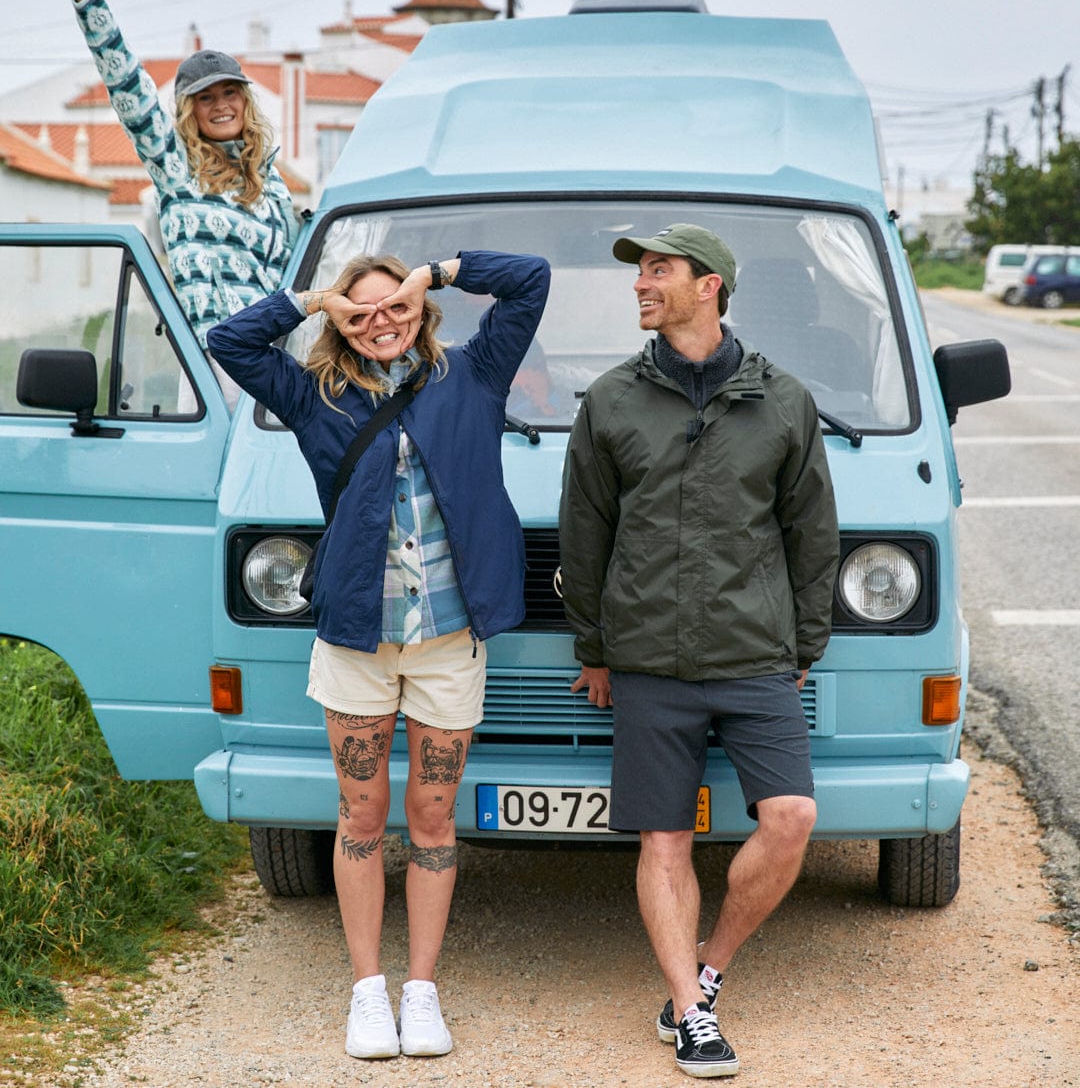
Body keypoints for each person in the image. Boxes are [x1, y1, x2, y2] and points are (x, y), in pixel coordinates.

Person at [207, 249, 550, 1060]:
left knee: (432, 816)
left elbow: (529, 279)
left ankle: (421, 992)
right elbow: (232, 342)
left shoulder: (474, 375)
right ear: (338, 322)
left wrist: (439, 269)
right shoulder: (313, 395)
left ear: (418, 308)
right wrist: (312, 298)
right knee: (361, 816)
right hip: (358, 639)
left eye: (393, 306)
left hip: (447, 642)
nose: (380, 322)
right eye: (359, 313)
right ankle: (368, 993)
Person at [558, 224, 839, 1079]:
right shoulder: (610, 401)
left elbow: (811, 531)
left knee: (791, 820)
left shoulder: (783, 401)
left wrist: (806, 640)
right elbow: (585, 534)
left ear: (708, 285)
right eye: (639, 272)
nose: (641, 285)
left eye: (658, 271)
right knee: (665, 842)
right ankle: (690, 1014)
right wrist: (596, 649)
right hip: (648, 661)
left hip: (756, 655)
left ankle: (708, 971)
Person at [42, 0, 299, 406]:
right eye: (206, 97)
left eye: (229, 93)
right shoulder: (176, 168)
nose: (221, 105)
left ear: (245, 99)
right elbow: (129, 87)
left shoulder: (271, 180)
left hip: (282, 357)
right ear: (188, 110)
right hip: (218, 361)